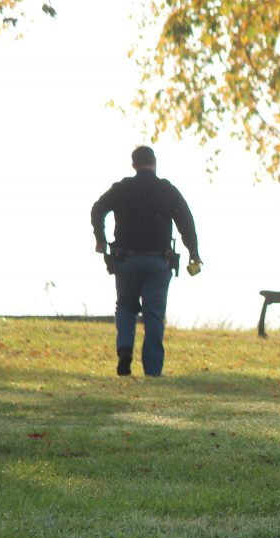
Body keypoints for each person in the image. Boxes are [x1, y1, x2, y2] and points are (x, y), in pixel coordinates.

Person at [91, 145, 201, 377]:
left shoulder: (122, 188)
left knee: (125, 307)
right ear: (155, 162)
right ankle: (152, 371)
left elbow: (97, 209)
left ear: (133, 164)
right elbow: (186, 220)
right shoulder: (166, 189)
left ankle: (124, 351)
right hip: (158, 262)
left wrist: (100, 239)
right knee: (153, 315)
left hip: (126, 259)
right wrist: (194, 252)